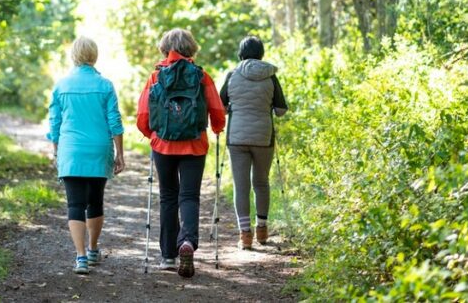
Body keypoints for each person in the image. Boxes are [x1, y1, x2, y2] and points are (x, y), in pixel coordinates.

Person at [137, 28, 225, 278]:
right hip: (195, 145)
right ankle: (186, 242)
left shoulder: (155, 77)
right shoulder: (202, 76)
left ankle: (167, 256)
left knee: (167, 197)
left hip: (162, 145)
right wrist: (218, 127)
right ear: (191, 48)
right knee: (189, 196)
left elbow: (143, 116)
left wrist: (151, 135)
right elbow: (217, 112)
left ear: (165, 48)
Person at [48, 37, 125, 275]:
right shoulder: (105, 85)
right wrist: (120, 152)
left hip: (71, 150)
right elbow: (114, 120)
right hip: (98, 148)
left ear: (73, 56)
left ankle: (80, 257)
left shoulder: (61, 86)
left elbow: (55, 122)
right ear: (94, 56)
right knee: (95, 201)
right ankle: (92, 249)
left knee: (75, 204)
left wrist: (56, 149)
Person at [219, 36, 288, 250]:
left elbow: (220, 107)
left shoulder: (232, 75)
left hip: (237, 138)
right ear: (261, 53)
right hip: (263, 137)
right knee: (261, 183)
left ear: (241, 53)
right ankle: (263, 230)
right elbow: (281, 110)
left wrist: (233, 108)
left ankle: (245, 235)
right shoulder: (271, 76)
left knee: (242, 186)